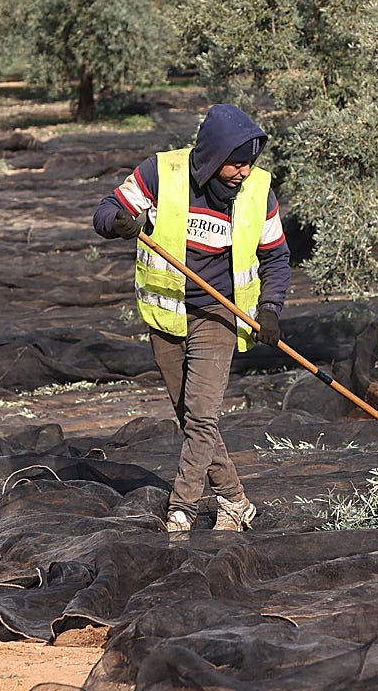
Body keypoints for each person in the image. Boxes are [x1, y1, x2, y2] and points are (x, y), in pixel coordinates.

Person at [93, 104, 291, 532]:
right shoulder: (161, 174)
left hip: (220, 313)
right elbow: (106, 210)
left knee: (202, 416)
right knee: (190, 416)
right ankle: (236, 500)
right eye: (236, 163)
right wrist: (120, 223)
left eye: (250, 163)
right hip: (168, 315)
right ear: (214, 156)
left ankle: (181, 509)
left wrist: (270, 309)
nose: (244, 172)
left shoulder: (259, 192)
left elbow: (277, 258)